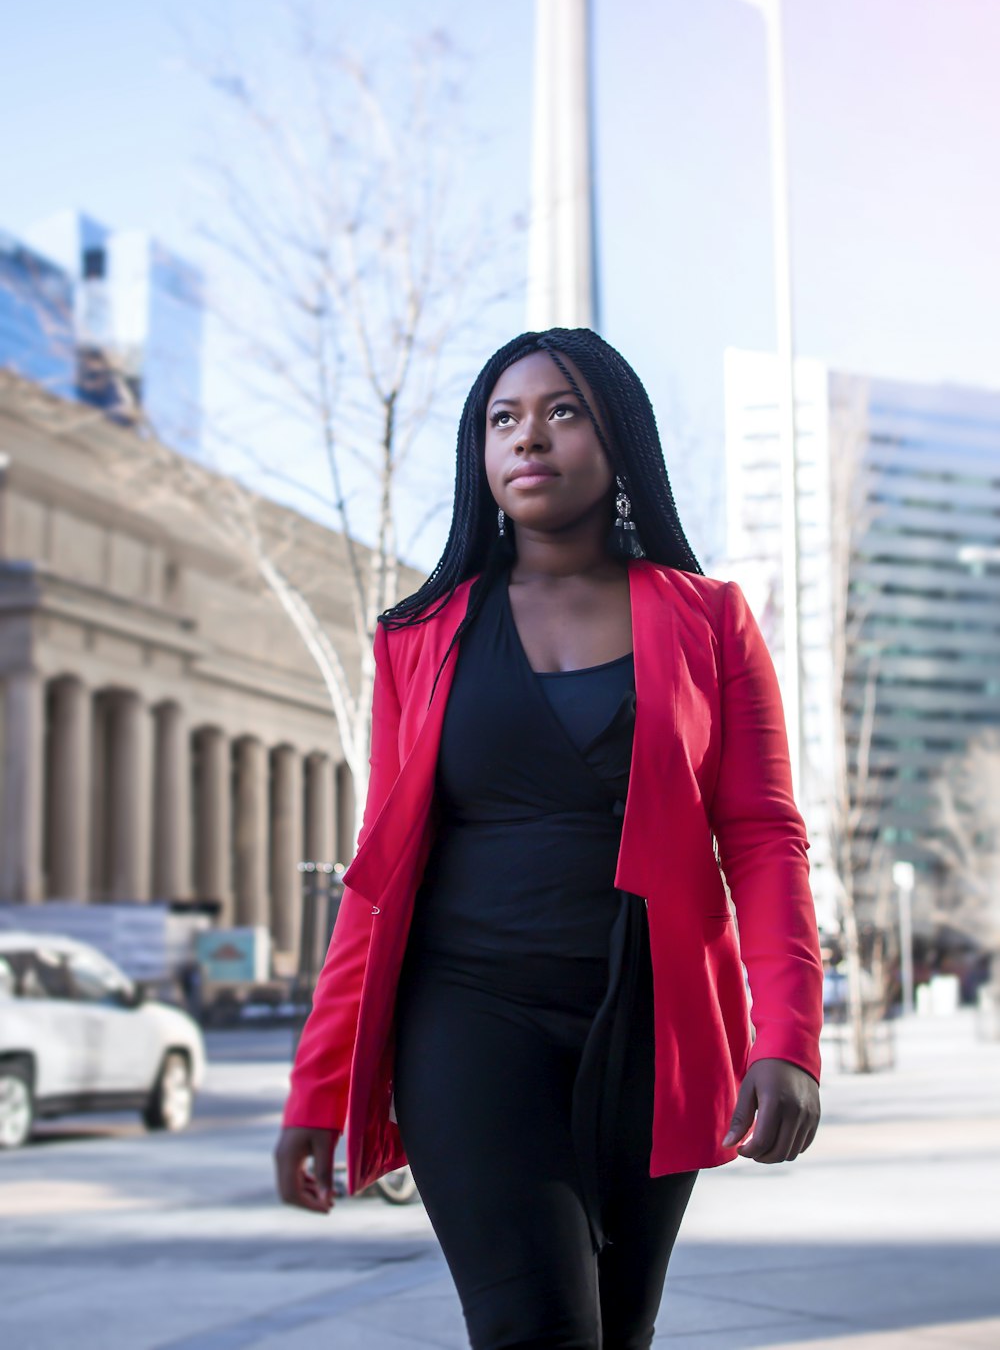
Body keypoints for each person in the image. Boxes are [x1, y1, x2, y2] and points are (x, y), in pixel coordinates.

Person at [275, 327, 824, 1349]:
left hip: (651, 1030)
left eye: (561, 411)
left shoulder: (710, 622)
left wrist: (785, 1036)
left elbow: (761, 839)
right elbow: (378, 874)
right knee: (535, 1328)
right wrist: (320, 1082)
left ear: (619, 441)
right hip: (469, 1015)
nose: (529, 437)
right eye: (502, 418)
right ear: (478, 454)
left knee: (616, 1333)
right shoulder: (419, 634)